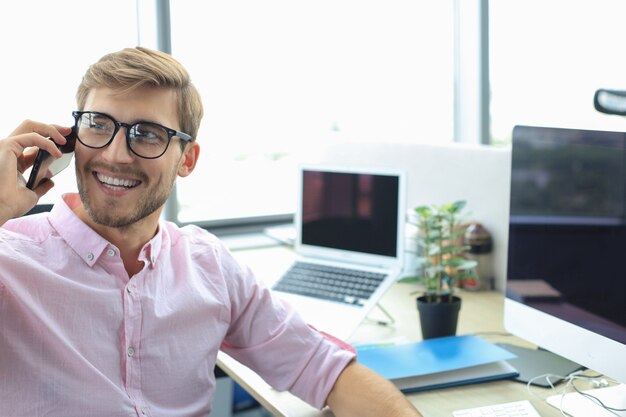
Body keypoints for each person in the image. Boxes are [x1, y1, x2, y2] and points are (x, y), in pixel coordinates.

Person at [0, 47, 423, 417]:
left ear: (188, 160)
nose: (115, 154)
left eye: (147, 134)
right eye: (98, 124)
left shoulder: (208, 266)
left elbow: (323, 368)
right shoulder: (10, 261)